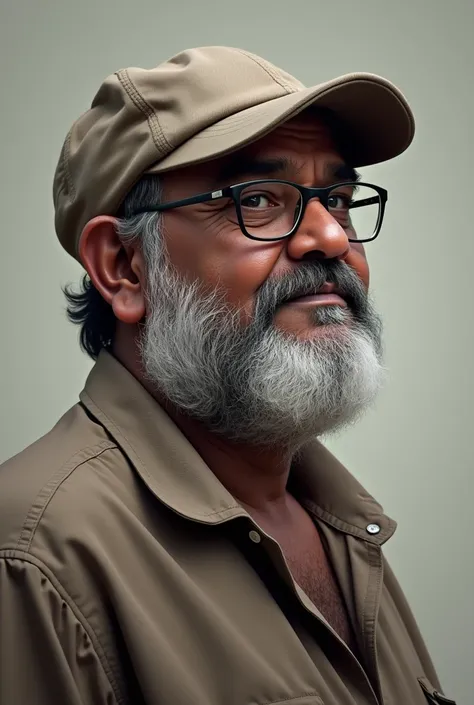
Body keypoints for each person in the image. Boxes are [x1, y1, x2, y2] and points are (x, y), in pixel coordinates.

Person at [0, 46, 453, 705]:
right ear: (124, 265)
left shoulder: (342, 524)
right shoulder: (35, 556)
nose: (329, 236)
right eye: (260, 200)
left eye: (338, 198)